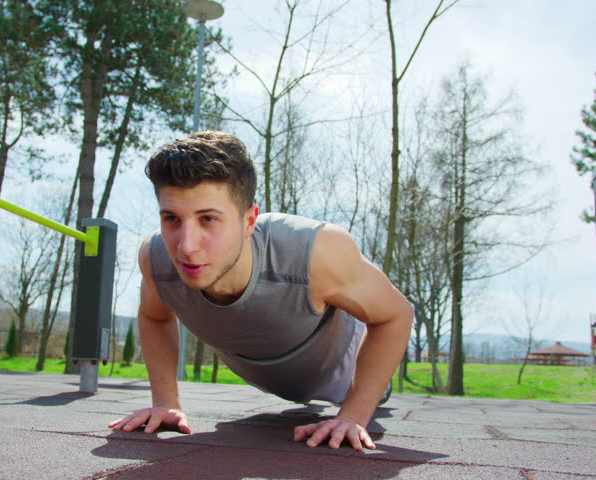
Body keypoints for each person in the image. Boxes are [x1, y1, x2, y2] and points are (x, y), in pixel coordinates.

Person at [108, 131, 413, 451]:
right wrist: (165, 401)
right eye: (171, 218)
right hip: (269, 373)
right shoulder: (155, 257)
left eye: (208, 219)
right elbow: (154, 317)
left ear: (249, 221)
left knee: (372, 391)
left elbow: (395, 315)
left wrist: (354, 415)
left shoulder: (317, 251)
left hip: (341, 368)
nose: (186, 246)